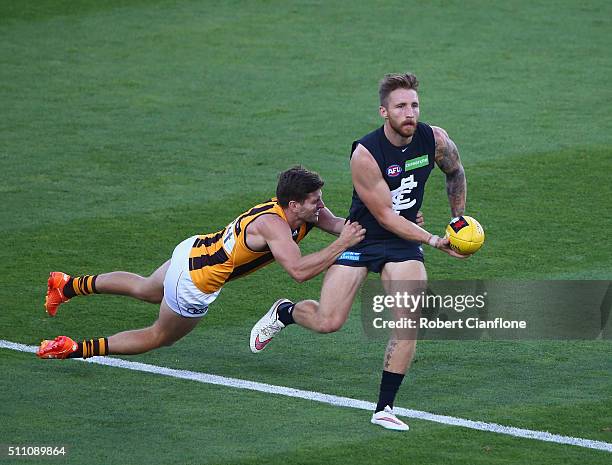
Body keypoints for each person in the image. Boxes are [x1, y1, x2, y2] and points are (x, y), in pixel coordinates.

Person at [250, 73, 468, 431]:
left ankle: (384, 407)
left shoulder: (436, 140)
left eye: (414, 105)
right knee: (328, 321)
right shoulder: (365, 155)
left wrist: (458, 222)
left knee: (409, 322)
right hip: (364, 237)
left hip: (403, 242)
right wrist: (432, 239)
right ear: (384, 111)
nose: (409, 112)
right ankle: (286, 312)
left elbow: (455, 172)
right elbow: (384, 215)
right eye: (400, 106)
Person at [36, 166, 366, 360]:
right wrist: (342, 245)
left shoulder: (300, 213)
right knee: (159, 337)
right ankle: (74, 349)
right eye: (315, 201)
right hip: (197, 282)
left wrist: (388, 220)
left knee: (145, 288)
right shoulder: (274, 226)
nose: (321, 206)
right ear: (293, 204)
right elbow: (298, 271)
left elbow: (340, 224)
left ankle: (66, 285)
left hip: (192, 250)